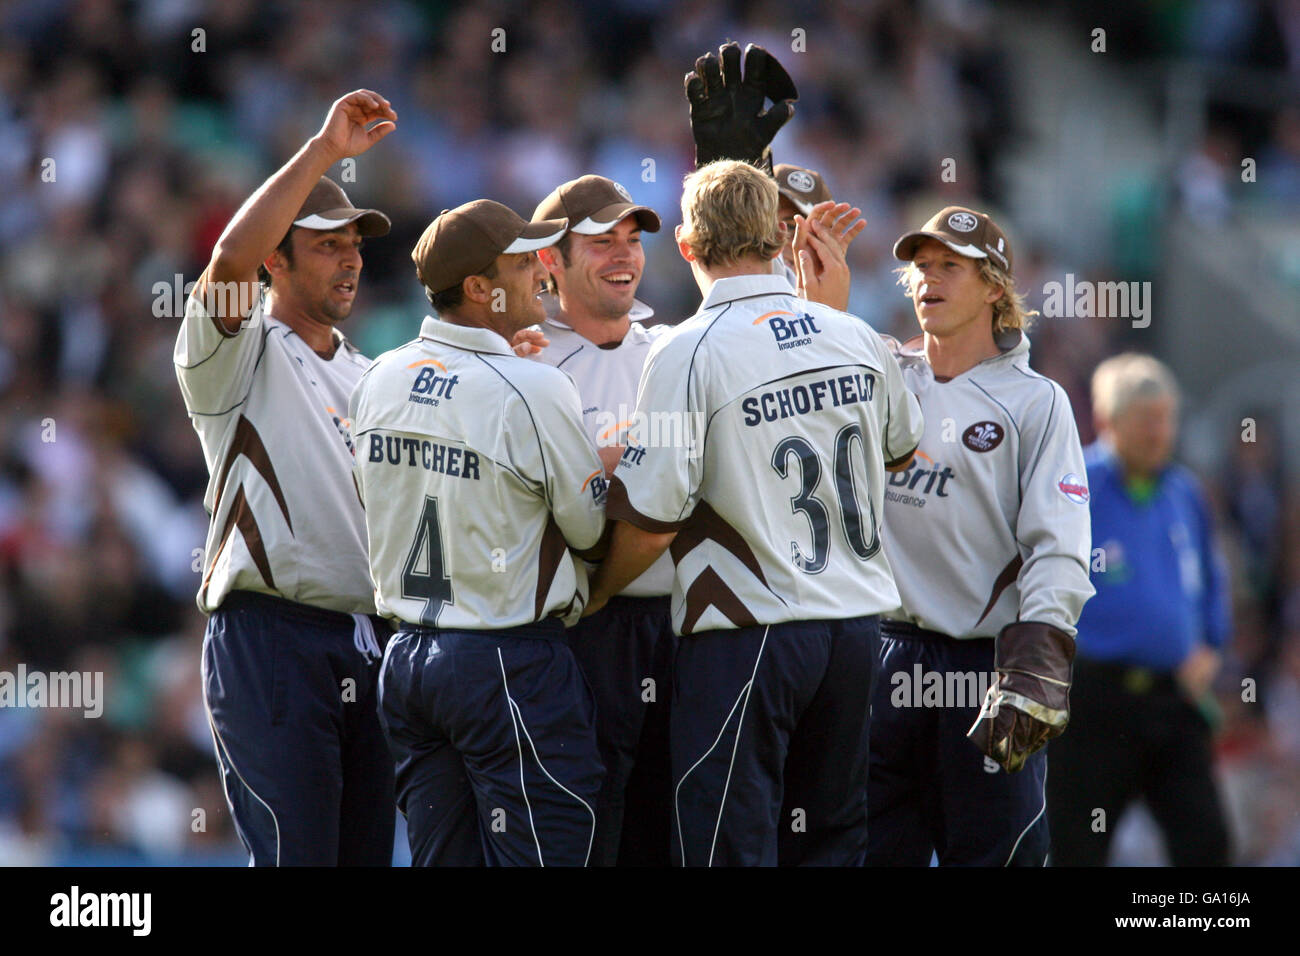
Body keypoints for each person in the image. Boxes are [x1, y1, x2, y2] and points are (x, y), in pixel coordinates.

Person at [586, 160, 924, 866]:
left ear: (685, 245)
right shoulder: (852, 331)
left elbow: (653, 521)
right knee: (831, 844)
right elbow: (901, 451)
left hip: (752, 635)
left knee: (726, 847)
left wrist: (597, 593)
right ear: (779, 236)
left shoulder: (686, 349)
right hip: (856, 633)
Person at [174, 89, 398, 866]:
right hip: (271, 636)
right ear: (281, 256)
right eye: (328, 243)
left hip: (369, 643)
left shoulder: (372, 374)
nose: (351, 258)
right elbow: (229, 261)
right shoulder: (237, 353)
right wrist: (324, 151)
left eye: (356, 245)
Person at [351, 199, 607, 867]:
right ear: (477, 290)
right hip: (508, 660)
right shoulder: (533, 387)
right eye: (523, 263)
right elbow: (592, 532)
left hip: (407, 661)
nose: (542, 274)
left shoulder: (379, 377)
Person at [865, 206, 1095, 867]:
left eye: (951, 267)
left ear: (995, 286)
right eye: (921, 267)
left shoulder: (1035, 401)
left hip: (983, 669)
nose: (928, 279)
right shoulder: (882, 374)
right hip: (882, 654)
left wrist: (1040, 660)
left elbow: (1060, 544)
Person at [523, 174, 676, 866]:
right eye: (600, 243)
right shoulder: (525, 360)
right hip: (573, 633)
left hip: (677, 628)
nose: (624, 256)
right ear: (549, 260)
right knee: (587, 833)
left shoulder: (673, 351)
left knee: (670, 834)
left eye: (632, 239)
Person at [1046, 353, 1232, 866]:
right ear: (1108, 421)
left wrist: (1211, 645)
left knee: (1206, 840)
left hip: (1174, 697)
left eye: (1166, 418)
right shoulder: (1074, 485)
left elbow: (1212, 581)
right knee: (1076, 845)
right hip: (1092, 702)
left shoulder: (1183, 491)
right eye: (1146, 420)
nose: (1160, 432)